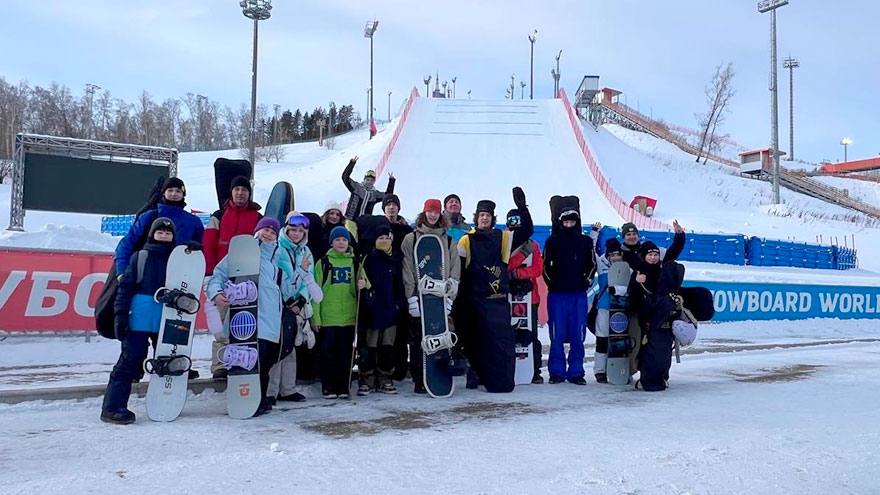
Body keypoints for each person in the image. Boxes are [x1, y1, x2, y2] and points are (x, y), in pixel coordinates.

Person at [207, 217, 295, 416]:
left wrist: (301, 272)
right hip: (249, 320)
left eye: (273, 232)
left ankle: (260, 399)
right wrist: (216, 293)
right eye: (265, 230)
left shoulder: (276, 265)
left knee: (265, 363)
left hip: (271, 323)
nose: (268, 234)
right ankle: (245, 398)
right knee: (250, 361)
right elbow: (218, 276)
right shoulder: (240, 255)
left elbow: (288, 292)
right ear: (257, 231)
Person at [101, 218, 177, 424]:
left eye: (168, 233)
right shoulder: (140, 257)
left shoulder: (178, 260)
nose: (164, 235)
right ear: (152, 234)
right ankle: (112, 407)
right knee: (129, 361)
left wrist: (193, 254)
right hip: (141, 317)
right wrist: (120, 315)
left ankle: (166, 402)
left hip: (167, 317)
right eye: (160, 232)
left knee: (168, 360)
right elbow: (124, 289)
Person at [457, 188, 533, 393]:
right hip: (475, 299)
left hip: (497, 301)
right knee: (475, 340)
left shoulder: (503, 238)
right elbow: (460, 271)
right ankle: (476, 375)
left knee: (501, 343)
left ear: (492, 218)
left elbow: (526, 233)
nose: (484, 219)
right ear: (476, 217)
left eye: (488, 216)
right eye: (481, 215)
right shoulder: (466, 240)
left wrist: (522, 208)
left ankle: (500, 381)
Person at [203, 176, 263, 380]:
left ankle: (241, 361)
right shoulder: (219, 215)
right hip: (223, 276)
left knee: (244, 324)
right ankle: (219, 364)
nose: (240, 193)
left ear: (249, 193)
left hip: (248, 279)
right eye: (237, 189)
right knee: (222, 324)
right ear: (231, 192)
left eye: (244, 190)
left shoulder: (257, 216)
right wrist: (210, 275)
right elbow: (209, 245)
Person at [401, 199, 462, 394]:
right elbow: (407, 267)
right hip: (419, 297)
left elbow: (455, 268)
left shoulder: (449, 239)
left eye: (436, 212)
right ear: (424, 213)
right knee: (419, 338)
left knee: (441, 337)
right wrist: (411, 297)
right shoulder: (411, 238)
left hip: (441, 297)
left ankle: (440, 374)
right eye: (430, 212)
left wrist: (450, 296)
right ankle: (420, 377)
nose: (433, 215)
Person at [267, 212, 324, 405]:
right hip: (278, 303)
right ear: (287, 229)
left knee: (290, 347)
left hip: (296, 306)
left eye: (301, 231)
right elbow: (274, 275)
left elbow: (309, 279)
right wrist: (287, 299)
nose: (297, 234)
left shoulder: (305, 251)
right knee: (277, 347)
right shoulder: (276, 247)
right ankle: (271, 391)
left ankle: (288, 389)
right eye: (294, 230)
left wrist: (301, 299)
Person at [628, 221, 687, 392]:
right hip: (646, 318)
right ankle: (647, 377)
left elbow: (673, 252)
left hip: (664, 315)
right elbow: (633, 296)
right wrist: (635, 282)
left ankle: (663, 376)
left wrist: (680, 236)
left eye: (655, 254)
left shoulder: (663, 269)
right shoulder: (639, 271)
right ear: (644, 256)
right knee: (646, 349)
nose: (653, 257)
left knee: (664, 348)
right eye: (650, 255)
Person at [542, 202, 595, 385]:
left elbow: (592, 265)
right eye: (566, 222)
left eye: (572, 221)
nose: (569, 225)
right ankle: (556, 372)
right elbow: (545, 266)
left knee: (578, 335)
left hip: (578, 295)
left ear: (577, 222)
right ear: (560, 222)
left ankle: (576, 372)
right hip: (557, 296)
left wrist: (586, 281)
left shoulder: (586, 241)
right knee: (556, 334)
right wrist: (552, 283)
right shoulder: (552, 241)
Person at [114, 177, 204, 275]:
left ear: (183, 195)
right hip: (147, 273)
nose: (174, 194)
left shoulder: (193, 221)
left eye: (178, 191)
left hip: (177, 274)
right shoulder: (148, 216)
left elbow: (202, 247)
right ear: (163, 193)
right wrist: (122, 271)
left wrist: (195, 249)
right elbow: (127, 243)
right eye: (170, 190)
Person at [357, 225, 406, 395]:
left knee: (387, 346)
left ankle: (385, 376)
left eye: (386, 238)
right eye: (380, 238)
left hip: (391, 310)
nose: (384, 241)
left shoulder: (397, 259)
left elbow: (401, 285)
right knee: (369, 346)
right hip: (372, 310)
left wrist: (398, 305)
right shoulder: (368, 258)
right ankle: (367, 377)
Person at [312, 226, 359, 399]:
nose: (341, 243)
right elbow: (315, 292)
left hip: (348, 317)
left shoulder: (354, 262)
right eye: (338, 239)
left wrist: (364, 285)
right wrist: (316, 317)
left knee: (346, 354)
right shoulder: (323, 262)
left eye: (344, 240)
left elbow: (363, 286)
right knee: (328, 353)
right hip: (328, 317)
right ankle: (328, 386)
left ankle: (343, 386)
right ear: (332, 242)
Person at [505, 208, 544, 384]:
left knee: (530, 334)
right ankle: (510, 367)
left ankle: (534, 370)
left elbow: (537, 269)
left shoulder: (532, 245)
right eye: (511, 221)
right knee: (509, 333)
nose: (515, 225)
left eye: (517, 220)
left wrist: (518, 274)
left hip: (529, 297)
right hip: (508, 296)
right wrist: (512, 275)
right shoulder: (504, 243)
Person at [382, 193, 414, 381]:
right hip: (385, 281)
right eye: (388, 205)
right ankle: (384, 367)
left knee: (402, 329)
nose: (392, 208)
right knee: (385, 328)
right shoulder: (378, 227)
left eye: (394, 205)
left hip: (402, 279)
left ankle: (401, 367)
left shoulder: (406, 230)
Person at [592, 238, 626, 383]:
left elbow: (629, 287)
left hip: (621, 308)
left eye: (618, 254)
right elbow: (591, 250)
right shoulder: (601, 265)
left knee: (620, 340)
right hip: (604, 307)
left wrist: (618, 290)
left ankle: (620, 368)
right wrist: (594, 234)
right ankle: (600, 370)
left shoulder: (626, 266)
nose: (615, 257)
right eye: (612, 255)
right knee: (602, 339)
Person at [341, 156, 396, 221]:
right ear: (364, 179)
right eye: (367, 179)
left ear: (374, 181)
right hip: (350, 219)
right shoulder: (356, 187)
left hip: (365, 222)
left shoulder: (375, 194)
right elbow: (345, 177)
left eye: (371, 180)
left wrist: (391, 181)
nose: (369, 182)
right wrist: (351, 164)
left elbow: (388, 196)